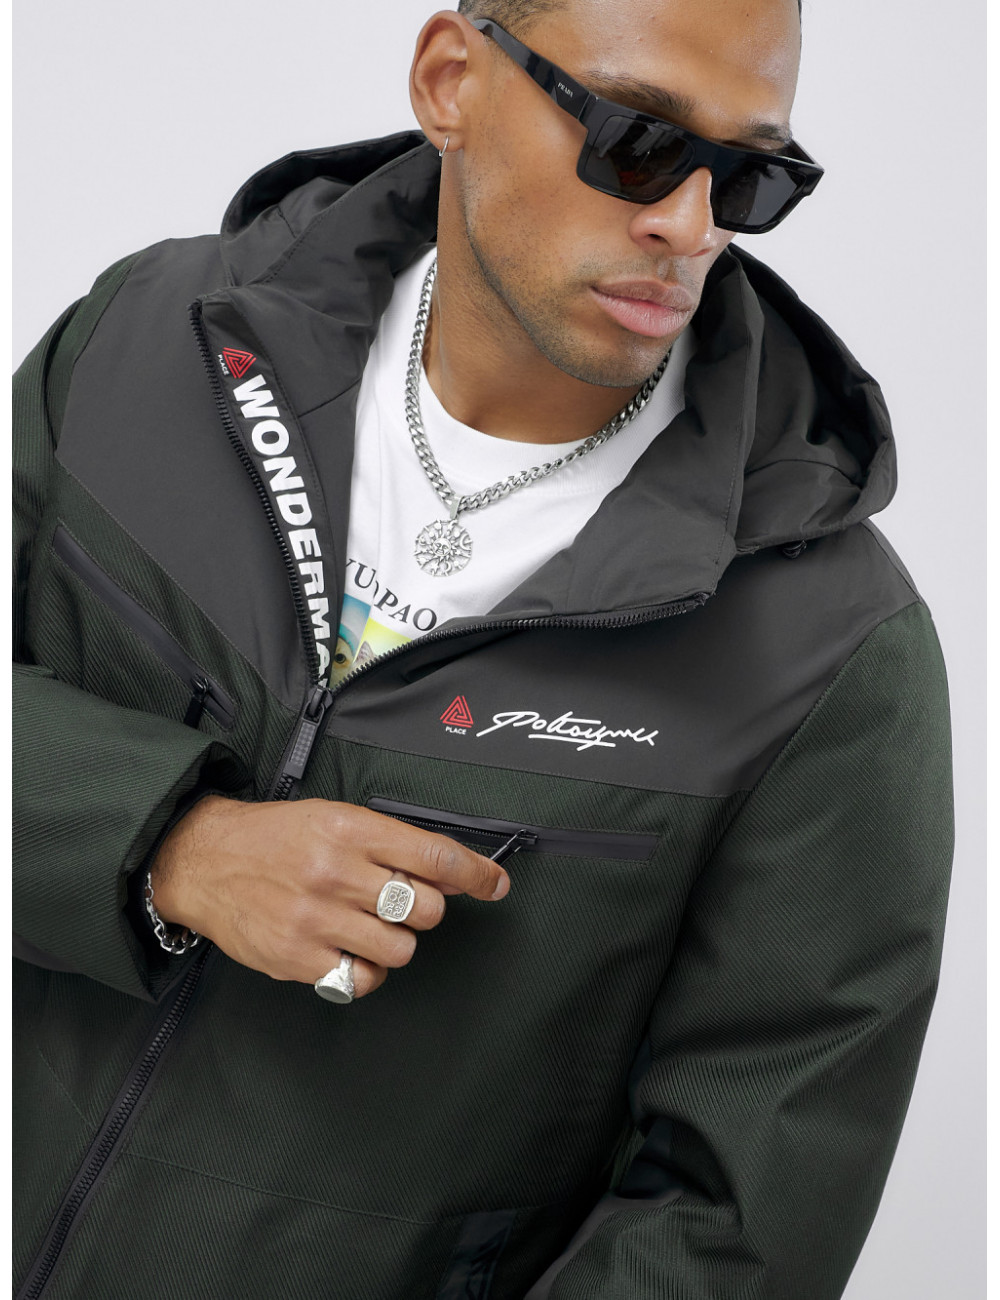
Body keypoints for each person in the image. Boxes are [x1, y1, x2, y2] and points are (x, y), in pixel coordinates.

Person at [13, 0, 954, 1295]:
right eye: (638, 142)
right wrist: (164, 843)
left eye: (749, 176)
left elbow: (730, 1231)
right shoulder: (143, 343)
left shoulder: (826, 650)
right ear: (451, 80)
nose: (690, 225)